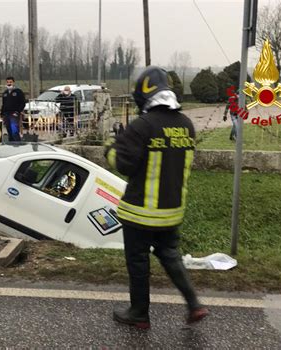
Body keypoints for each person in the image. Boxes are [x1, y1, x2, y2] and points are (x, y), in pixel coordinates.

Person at [105, 66, 208, 329]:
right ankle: (194, 304)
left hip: (139, 213)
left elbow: (124, 164)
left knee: (138, 264)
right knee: (171, 256)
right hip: (172, 212)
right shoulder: (186, 125)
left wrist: (111, 149)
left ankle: (139, 313)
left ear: (144, 94)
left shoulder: (142, 125)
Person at [1, 76, 26, 141]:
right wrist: (2, 114)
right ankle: (11, 144)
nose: (9, 83)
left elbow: (23, 103)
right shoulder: (5, 93)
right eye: (7, 82)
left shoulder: (18, 92)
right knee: (9, 130)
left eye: (10, 82)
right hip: (6, 114)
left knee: (14, 130)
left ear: (13, 82)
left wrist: (18, 112)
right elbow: (3, 104)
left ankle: (18, 144)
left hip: (14, 114)